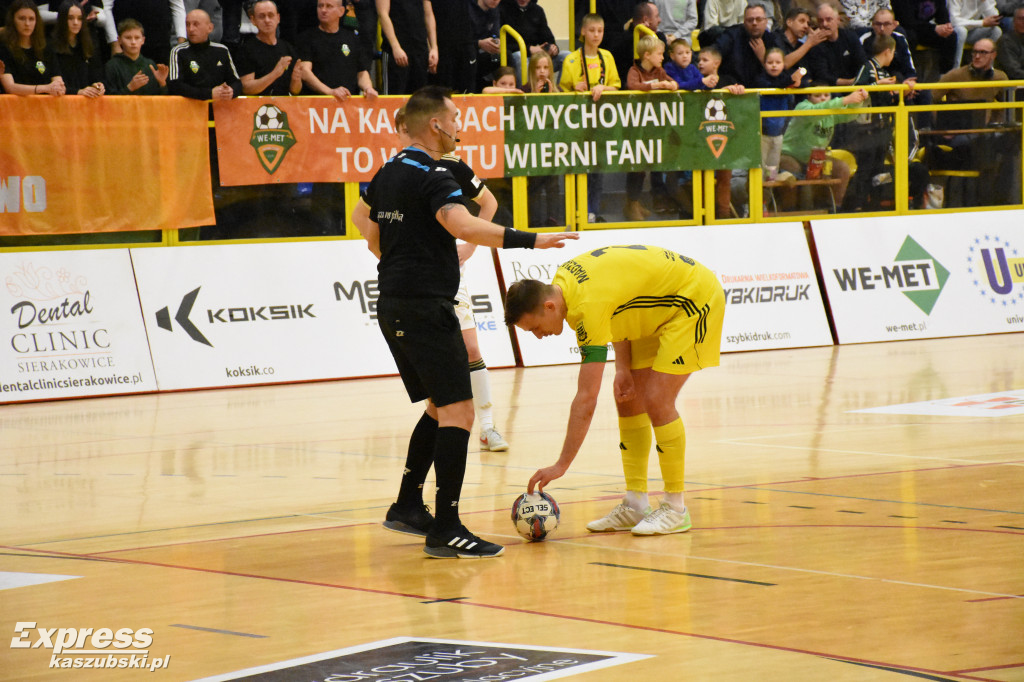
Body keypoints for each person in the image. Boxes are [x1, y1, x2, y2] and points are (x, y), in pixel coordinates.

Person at [350, 85, 577, 559]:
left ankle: (408, 505)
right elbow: (462, 223)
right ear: (435, 124)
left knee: (439, 406)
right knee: (460, 411)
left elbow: (367, 228)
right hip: (425, 305)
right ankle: (447, 526)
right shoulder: (433, 173)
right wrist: (531, 241)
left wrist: (403, 256)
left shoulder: (387, 169)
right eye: (455, 117)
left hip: (393, 301)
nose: (459, 126)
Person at [504, 244, 725, 536]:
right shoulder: (564, 284)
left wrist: (562, 464)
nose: (539, 336)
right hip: (658, 305)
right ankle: (635, 504)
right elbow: (620, 304)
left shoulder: (585, 306)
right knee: (629, 399)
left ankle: (675, 508)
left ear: (549, 307)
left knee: (658, 399)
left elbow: (586, 399)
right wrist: (623, 368)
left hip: (693, 300)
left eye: (535, 328)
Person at [559, 12, 621, 223]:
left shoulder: (607, 57)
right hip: (577, 124)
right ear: (583, 32)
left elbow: (617, 87)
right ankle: (575, 211)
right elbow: (561, 92)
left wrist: (604, 87)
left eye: (600, 31)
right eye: (592, 30)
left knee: (597, 170)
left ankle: (592, 212)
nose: (596, 35)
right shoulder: (572, 59)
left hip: (600, 124)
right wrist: (574, 88)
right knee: (577, 168)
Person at [780, 85, 869, 208]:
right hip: (790, 155)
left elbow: (850, 115)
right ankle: (789, 211)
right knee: (792, 171)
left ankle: (832, 208)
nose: (823, 98)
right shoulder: (802, 107)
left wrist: (858, 101)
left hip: (816, 158)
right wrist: (844, 100)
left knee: (842, 168)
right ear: (809, 96)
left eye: (826, 95)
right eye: (818, 95)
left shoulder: (830, 111)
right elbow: (817, 112)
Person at [624, 33, 678, 222]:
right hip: (635, 127)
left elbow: (673, 82)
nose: (662, 58)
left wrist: (670, 85)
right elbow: (632, 86)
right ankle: (631, 204)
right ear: (647, 55)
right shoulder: (634, 70)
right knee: (636, 167)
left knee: (645, 167)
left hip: (652, 128)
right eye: (659, 54)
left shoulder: (659, 71)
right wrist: (656, 87)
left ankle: (635, 203)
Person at [296, 0, 377, 99]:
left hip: (348, 104)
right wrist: (330, 92)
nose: (323, 10)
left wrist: (368, 88)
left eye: (329, 6)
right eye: (320, 6)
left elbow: (362, 72)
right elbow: (305, 72)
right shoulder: (306, 38)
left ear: (341, 11)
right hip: (317, 105)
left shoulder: (352, 38)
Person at [167, 9, 241, 100]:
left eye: (196, 24)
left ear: (210, 28)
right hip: (190, 110)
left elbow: (237, 82)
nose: (191, 29)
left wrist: (230, 91)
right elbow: (175, 86)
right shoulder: (178, 51)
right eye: (187, 24)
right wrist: (209, 94)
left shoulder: (222, 50)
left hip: (219, 109)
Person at [236, 0, 302, 96]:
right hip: (257, 108)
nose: (267, 20)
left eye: (271, 15)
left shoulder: (288, 48)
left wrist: (296, 79)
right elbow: (246, 88)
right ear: (253, 20)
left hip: (284, 107)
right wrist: (275, 73)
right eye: (262, 16)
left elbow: (295, 91)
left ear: (278, 18)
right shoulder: (246, 50)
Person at [0, 0, 64, 96]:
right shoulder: (4, 49)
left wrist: (59, 88)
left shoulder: (46, 48)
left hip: (45, 107)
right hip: (15, 107)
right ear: (13, 20)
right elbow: (10, 87)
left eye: (31, 19)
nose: (27, 24)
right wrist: (43, 88)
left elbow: (58, 81)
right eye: (22, 18)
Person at [756, 47, 800, 180]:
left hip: (779, 133)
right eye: (770, 63)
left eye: (778, 62)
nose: (774, 66)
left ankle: (770, 192)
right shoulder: (761, 79)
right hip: (761, 133)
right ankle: (758, 194)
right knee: (760, 167)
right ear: (764, 64)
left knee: (773, 166)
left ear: (783, 64)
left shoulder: (786, 78)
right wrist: (791, 80)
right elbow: (774, 86)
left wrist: (796, 80)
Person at [715, 4, 785, 87]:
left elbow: (782, 76)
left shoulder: (773, 40)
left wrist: (764, 58)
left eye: (759, 19)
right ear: (744, 22)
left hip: (763, 93)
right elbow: (713, 56)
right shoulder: (731, 35)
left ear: (766, 22)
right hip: (732, 90)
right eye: (750, 20)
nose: (754, 23)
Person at [376, 0, 437, 95]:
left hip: (420, 50)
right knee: (393, 101)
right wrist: (395, 47)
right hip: (396, 52)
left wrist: (434, 48)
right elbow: (383, 14)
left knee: (420, 101)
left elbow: (428, 14)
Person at [499, 0, 561, 84]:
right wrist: (529, 49)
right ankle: (525, 92)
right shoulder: (502, 9)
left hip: (536, 56)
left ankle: (558, 92)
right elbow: (501, 44)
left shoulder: (537, 10)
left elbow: (548, 38)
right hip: (513, 56)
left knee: (565, 56)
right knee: (520, 57)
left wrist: (552, 48)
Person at [805, 2, 867, 85]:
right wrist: (849, 82)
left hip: (855, 86)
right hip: (829, 90)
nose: (824, 24)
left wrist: (857, 81)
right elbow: (821, 76)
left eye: (828, 19)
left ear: (838, 20)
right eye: (820, 21)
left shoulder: (850, 37)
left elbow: (862, 63)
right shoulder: (815, 44)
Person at [50, 0, 104, 96]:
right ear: (62, 19)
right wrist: (78, 92)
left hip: (84, 103)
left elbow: (94, 75)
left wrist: (97, 85)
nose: (75, 23)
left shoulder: (87, 44)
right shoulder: (51, 46)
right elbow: (52, 84)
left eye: (79, 19)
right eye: (70, 18)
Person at [892, 0, 958, 73]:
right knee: (910, 37)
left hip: (924, 29)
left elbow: (942, 17)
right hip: (905, 27)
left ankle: (945, 76)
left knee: (950, 36)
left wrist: (946, 27)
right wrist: (934, 28)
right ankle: (908, 74)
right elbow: (908, 22)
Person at [111, 0, 186, 65]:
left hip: (159, 43)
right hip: (128, 42)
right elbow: (106, 7)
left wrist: (181, 42)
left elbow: (178, 9)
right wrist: (115, 44)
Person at [104, 18, 167, 94]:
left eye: (137, 38)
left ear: (143, 40)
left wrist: (162, 83)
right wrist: (130, 88)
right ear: (119, 40)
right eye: (128, 38)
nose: (133, 42)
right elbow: (108, 99)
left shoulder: (150, 65)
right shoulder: (112, 66)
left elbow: (161, 100)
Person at [949, 0, 1002, 68]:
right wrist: (982, 23)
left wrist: (985, 2)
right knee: (962, 31)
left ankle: (984, 67)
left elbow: (995, 18)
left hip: (971, 31)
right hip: (952, 31)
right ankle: (955, 69)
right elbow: (954, 21)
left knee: (996, 31)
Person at [776, 6, 827, 73]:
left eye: (808, 23)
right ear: (789, 22)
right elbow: (782, 64)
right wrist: (809, 43)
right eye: (801, 21)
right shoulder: (775, 38)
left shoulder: (801, 46)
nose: (806, 26)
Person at [469, 0, 502, 92]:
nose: (495, 1)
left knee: (506, 56)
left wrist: (497, 42)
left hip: (487, 50)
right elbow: (462, 39)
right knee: (472, 55)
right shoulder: (468, 8)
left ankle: (509, 90)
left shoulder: (494, 11)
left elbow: (495, 34)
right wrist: (479, 43)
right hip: (470, 49)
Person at [996, 4, 1024, 79]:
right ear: (1014, 21)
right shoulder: (1005, 41)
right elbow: (1013, 71)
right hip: (1012, 86)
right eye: (1021, 19)